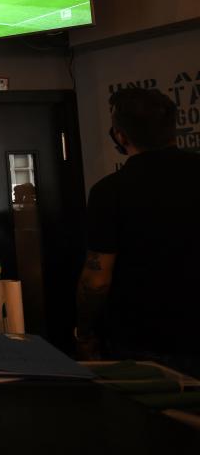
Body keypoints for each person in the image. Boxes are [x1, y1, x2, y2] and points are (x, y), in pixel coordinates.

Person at [76, 88, 200, 377]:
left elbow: (96, 280)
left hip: (139, 340)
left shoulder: (110, 192)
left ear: (120, 136)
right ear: (173, 129)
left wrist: (84, 333)